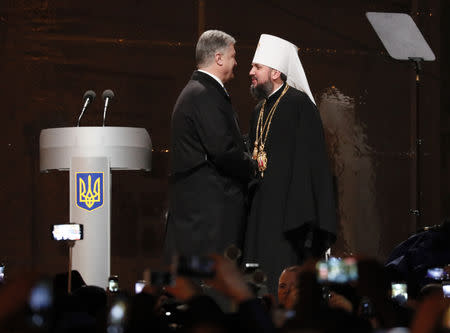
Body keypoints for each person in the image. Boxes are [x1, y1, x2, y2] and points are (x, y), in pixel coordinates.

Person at [243, 34, 337, 295]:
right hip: (260, 216)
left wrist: (300, 220)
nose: (250, 72)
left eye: (257, 67)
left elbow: (311, 166)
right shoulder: (258, 110)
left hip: (289, 217)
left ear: (275, 72)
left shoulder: (299, 105)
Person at [165, 30, 255, 259]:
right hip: (208, 222)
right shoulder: (203, 94)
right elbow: (223, 151)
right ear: (219, 58)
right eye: (233, 56)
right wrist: (255, 167)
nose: (236, 63)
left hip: (203, 218)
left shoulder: (201, 92)